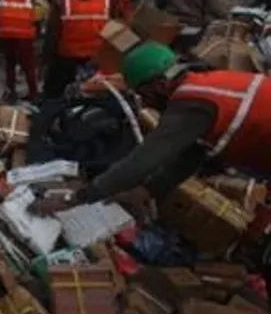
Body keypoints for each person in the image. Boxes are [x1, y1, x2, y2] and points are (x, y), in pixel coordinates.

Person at [77, 43, 271, 204]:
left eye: (144, 94)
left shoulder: (192, 102)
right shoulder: (205, 85)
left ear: (160, 86)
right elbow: (191, 156)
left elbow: (145, 159)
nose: (144, 103)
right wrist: (148, 191)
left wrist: (79, 197)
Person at [42, 0, 111, 99]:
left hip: (66, 61)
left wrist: (46, 59)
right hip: (95, 62)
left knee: (52, 99)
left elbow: (52, 33)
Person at [0, 0, 46, 102]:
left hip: (5, 31)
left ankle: (11, 91)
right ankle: (33, 94)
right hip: (23, 33)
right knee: (28, 66)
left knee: (10, 64)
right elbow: (37, 15)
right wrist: (39, 32)